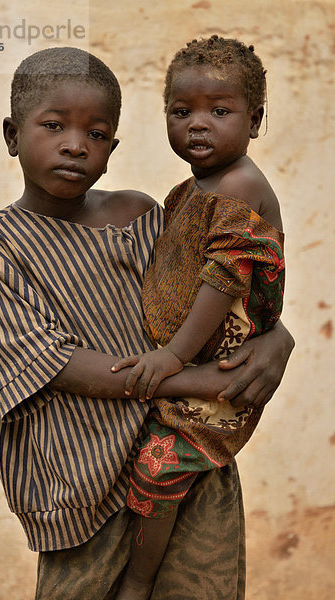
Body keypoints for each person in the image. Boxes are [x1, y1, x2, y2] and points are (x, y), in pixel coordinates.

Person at [0, 46, 293, 600]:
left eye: (96, 133)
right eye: (53, 126)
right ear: (12, 135)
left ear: (112, 149)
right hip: (81, 483)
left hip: (184, 459)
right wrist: (195, 379)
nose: (74, 144)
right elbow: (54, 364)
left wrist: (278, 337)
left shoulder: (142, 216)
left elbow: (218, 287)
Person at [112, 35, 286, 600]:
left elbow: (222, 280)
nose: (198, 124)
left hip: (220, 374)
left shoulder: (239, 186)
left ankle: (137, 584)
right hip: (194, 365)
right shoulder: (187, 190)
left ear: (255, 120)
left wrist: (172, 355)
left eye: (220, 110)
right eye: (181, 111)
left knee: (158, 468)